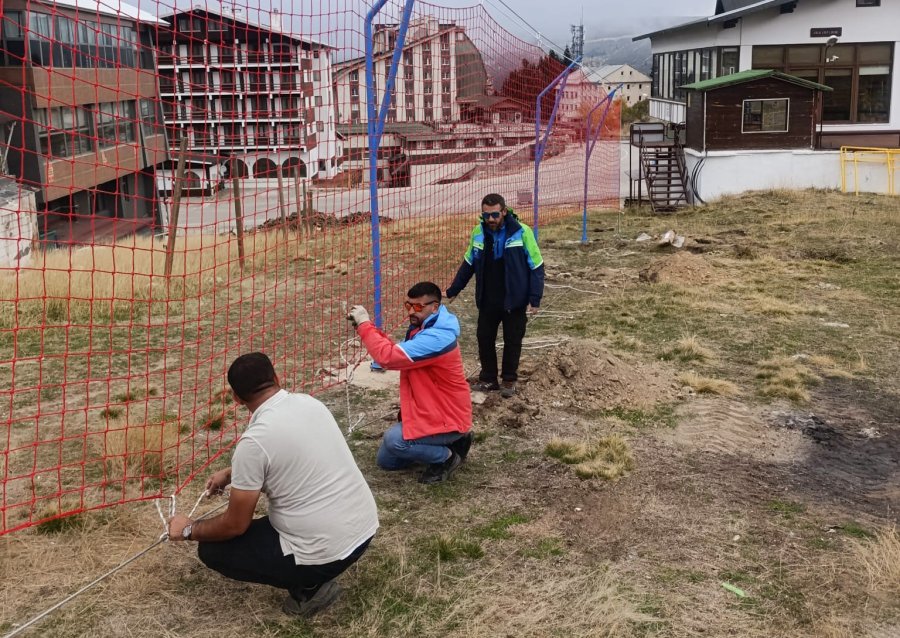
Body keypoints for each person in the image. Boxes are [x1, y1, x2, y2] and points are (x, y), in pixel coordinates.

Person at [167, 352, 378, 617]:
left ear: (236, 398)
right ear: (276, 378)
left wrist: (188, 529)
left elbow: (235, 525)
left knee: (212, 549)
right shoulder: (308, 403)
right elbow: (286, 452)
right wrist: (233, 474)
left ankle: (312, 589)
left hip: (327, 553)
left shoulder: (254, 443)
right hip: (364, 530)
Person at [347, 282, 473, 484]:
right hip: (431, 411)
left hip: (448, 417)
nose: (411, 312)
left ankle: (448, 457)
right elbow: (393, 349)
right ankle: (448, 443)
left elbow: (387, 357)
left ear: (435, 307)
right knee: (386, 462)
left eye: (417, 307)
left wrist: (364, 324)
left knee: (394, 441)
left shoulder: (437, 338)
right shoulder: (426, 326)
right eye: (408, 305)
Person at [446, 193, 545, 398]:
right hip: (488, 298)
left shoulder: (522, 232)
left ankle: (509, 380)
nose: (490, 219)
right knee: (484, 338)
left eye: (494, 214)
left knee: (512, 340)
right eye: (486, 215)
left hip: (514, 299)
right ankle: (488, 379)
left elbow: (536, 266)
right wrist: (454, 289)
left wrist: (535, 299)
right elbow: (469, 263)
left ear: (504, 212)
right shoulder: (478, 233)